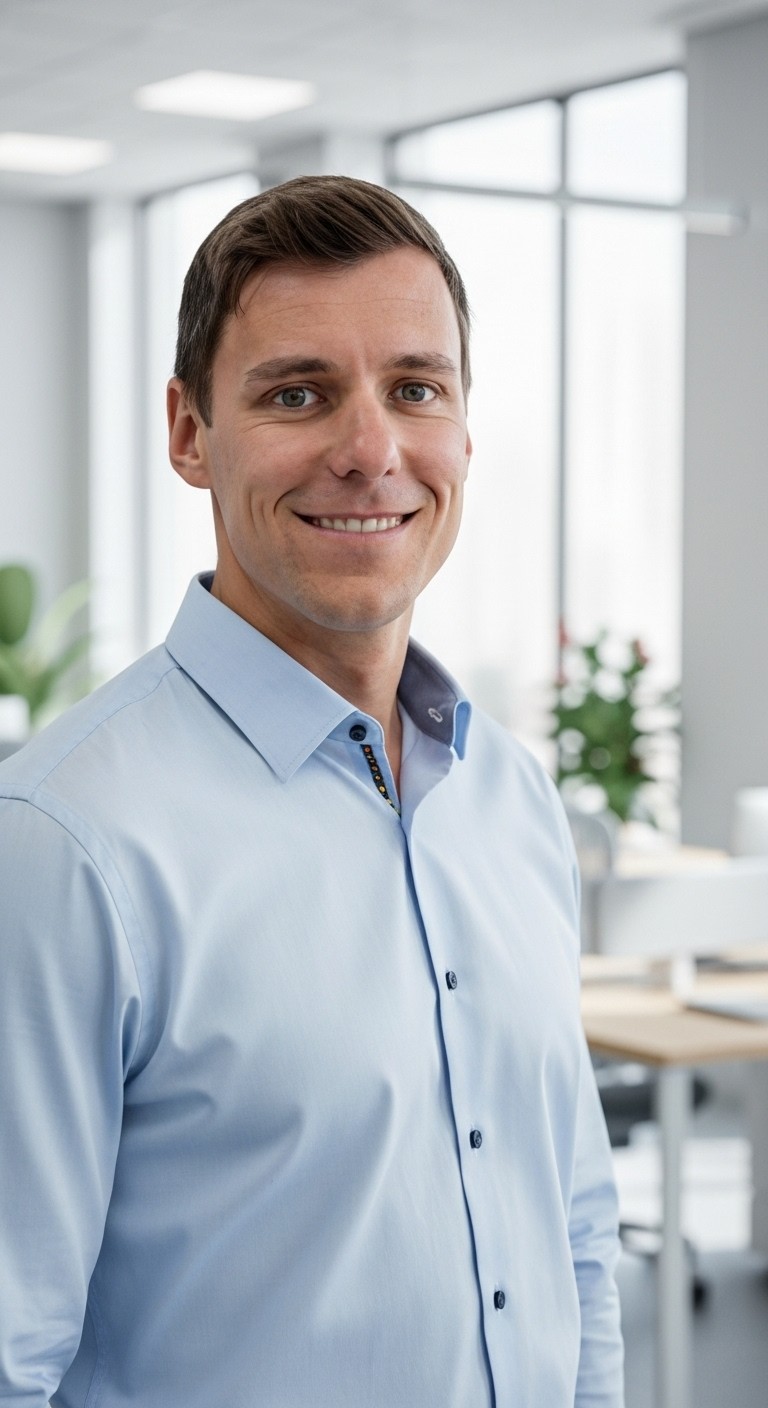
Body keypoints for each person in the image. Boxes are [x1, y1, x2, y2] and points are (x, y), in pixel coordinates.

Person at [0, 175, 624, 1407]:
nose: (369, 450)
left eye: (415, 388)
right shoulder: (63, 846)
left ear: (463, 426)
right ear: (189, 432)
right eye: (298, 393)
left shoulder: (510, 798)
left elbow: (577, 1237)